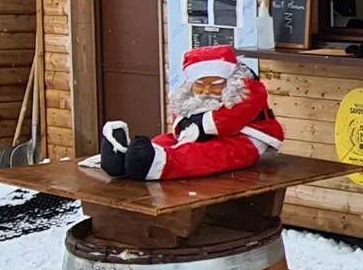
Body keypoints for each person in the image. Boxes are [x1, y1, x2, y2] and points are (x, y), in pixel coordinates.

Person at [99, 45, 284, 181]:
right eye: (200, 85)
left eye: (215, 85)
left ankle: (156, 164)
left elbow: (230, 120)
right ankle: (123, 156)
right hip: (202, 136)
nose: (206, 91)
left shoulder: (247, 89)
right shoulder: (187, 93)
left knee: (208, 155)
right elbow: (181, 116)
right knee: (165, 140)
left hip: (243, 139)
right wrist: (186, 125)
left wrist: (199, 125)